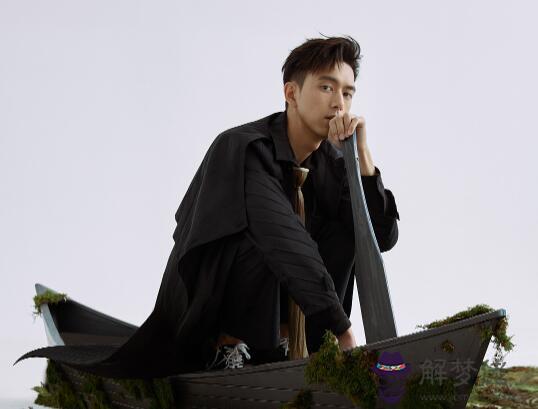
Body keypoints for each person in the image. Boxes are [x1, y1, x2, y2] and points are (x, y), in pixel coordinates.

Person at [16, 35, 399, 378]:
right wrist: (342, 330)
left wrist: (361, 157)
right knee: (271, 234)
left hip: (289, 328)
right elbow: (284, 239)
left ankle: (295, 346)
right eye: (326, 87)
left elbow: (380, 237)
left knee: (348, 226)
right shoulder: (243, 149)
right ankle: (231, 346)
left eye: (348, 92)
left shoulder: (331, 162)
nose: (338, 102)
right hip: (210, 328)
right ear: (291, 93)